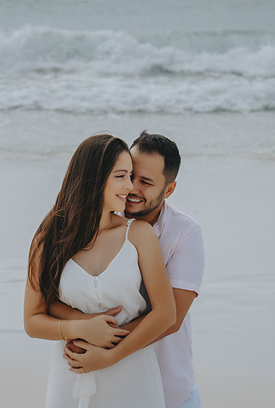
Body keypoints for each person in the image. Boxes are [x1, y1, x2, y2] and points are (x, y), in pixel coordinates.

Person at [24, 134, 177, 408]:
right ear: (95, 177)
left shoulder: (138, 234)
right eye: (121, 176)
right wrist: (80, 327)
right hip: (70, 373)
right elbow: (32, 320)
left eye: (131, 176)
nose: (130, 187)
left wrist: (110, 355)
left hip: (133, 376)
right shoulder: (48, 237)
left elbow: (166, 313)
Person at [57, 131, 205, 408]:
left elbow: (172, 319)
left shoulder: (185, 233)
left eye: (145, 182)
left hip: (168, 385)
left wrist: (106, 345)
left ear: (169, 189)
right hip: (101, 381)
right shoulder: (98, 221)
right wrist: (81, 325)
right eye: (128, 175)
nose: (131, 188)